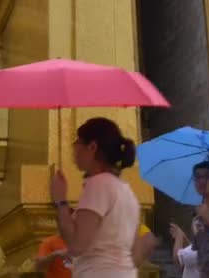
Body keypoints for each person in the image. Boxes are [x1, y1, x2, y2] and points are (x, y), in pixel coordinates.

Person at [50, 117, 140, 278]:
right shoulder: (125, 189)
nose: (74, 148)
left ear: (92, 147)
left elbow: (77, 245)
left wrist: (60, 201)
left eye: (78, 142)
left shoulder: (98, 185)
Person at [35, 209, 74, 278]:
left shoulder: (83, 242)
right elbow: (38, 267)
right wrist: (54, 255)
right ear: (58, 223)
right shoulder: (49, 242)